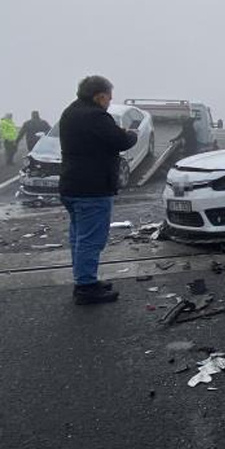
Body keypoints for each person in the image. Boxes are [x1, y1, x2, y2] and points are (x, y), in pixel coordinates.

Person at [59, 76, 137, 305]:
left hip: (73, 185)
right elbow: (121, 141)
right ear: (99, 96)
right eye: (109, 97)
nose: (110, 101)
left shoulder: (71, 111)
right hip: (92, 188)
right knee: (91, 239)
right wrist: (130, 133)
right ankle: (85, 287)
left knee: (79, 237)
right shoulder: (95, 115)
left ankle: (86, 280)